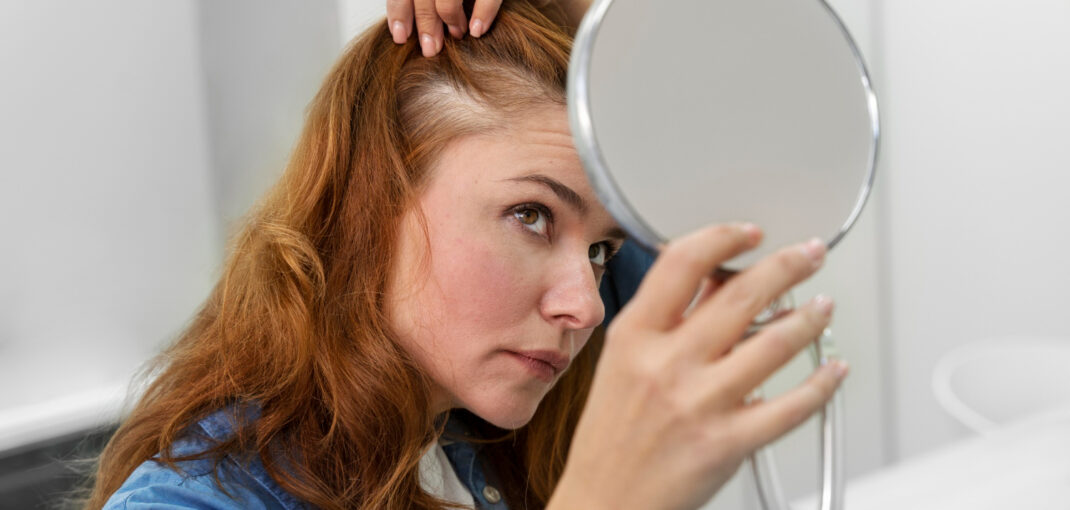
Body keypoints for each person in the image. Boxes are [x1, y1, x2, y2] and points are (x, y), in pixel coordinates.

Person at [85, 1, 847, 509]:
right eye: (531, 216)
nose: (584, 307)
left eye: (603, 251)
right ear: (370, 200)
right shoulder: (194, 502)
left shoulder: (470, 426)